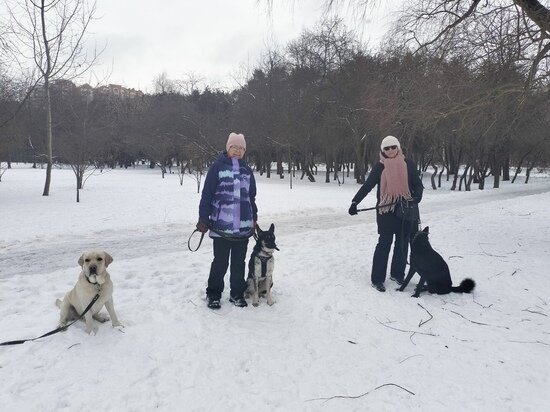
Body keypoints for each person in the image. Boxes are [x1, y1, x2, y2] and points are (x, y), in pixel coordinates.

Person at [348, 135, 423, 292]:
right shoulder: (379, 167)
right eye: (386, 148)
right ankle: (377, 279)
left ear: (398, 147)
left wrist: (415, 198)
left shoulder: (408, 164)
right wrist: (355, 202)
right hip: (385, 211)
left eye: (393, 147)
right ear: (382, 150)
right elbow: (368, 185)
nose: (390, 150)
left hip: (405, 210)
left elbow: (418, 185)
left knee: (402, 244)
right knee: (384, 244)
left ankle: (397, 274)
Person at [197, 132, 258, 309]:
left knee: (239, 264)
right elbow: (207, 195)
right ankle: (214, 294)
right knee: (220, 262)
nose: (238, 151)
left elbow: (251, 197)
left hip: (243, 228)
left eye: (241, 148)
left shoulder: (247, 170)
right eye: (234, 147)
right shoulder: (217, 167)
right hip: (221, 227)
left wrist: (254, 219)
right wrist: (203, 218)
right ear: (228, 148)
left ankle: (237, 294)